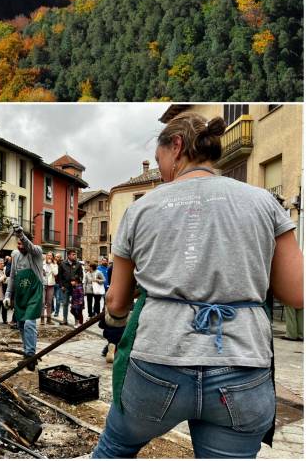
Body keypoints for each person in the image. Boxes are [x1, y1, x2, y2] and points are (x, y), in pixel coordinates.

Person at [90, 113, 304, 459]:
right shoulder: (265, 202)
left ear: (176, 147)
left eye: (160, 161)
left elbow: (116, 302)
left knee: (114, 450)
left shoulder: (141, 209)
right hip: (242, 367)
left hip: (157, 364)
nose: (160, 172)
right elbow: (296, 293)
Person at [5, 227, 45, 369]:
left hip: (35, 293)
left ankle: (30, 355)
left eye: (21, 243)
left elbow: (29, 246)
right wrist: (8, 295)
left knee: (29, 323)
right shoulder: (15, 255)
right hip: (21, 294)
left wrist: (21, 235)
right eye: (18, 243)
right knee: (21, 325)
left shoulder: (37, 252)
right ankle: (28, 355)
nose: (19, 246)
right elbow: (12, 277)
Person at [56, 249, 81, 325]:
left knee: (75, 304)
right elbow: (59, 277)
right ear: (69, 255)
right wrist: (61, 286)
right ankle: (64, 320)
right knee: (65, 303)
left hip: (75, 288)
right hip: (65, 287)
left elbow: (81, 276)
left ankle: (76, 321)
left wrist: (76, 281)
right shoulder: (62, 264)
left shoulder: (78, 264)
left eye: (75, 254)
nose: (75, 256)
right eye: (73, 254)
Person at [42, 252, 59, 325]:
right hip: (42, 284)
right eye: (48, 255)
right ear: (46, 256)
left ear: (52, 257)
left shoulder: (54, 265)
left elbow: (55, 273)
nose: (49, 257)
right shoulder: (42, 264)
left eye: (50, 256)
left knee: (49, 302)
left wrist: (52, 265)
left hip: (51, 285)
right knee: (42, 302)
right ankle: (42, 318)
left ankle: (49, 319)